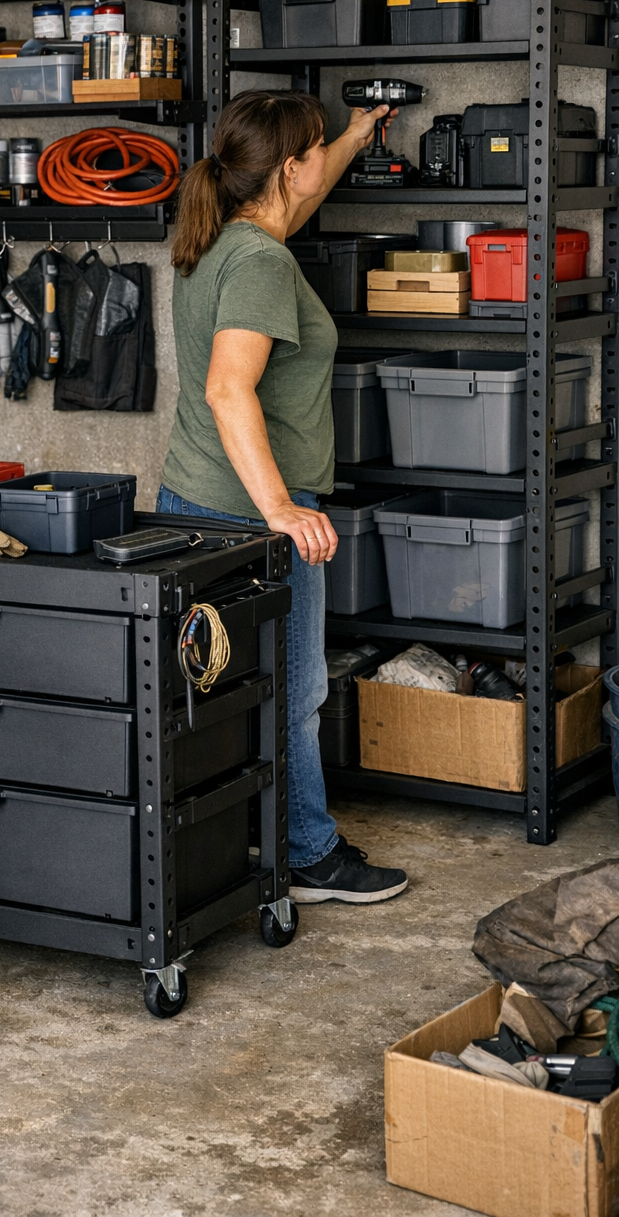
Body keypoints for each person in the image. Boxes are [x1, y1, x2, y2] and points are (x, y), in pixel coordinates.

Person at [158, 89, 408, 904]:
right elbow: (231, 391)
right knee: (297, 688)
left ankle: (244, 843)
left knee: (220, 690)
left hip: (192, 499)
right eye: (312, 153)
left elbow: (294, 202)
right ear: (286, 168)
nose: (316, 165)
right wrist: (280, 511)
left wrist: (355, 135)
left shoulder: (222, 238)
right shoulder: (262, 263)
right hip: (251, 513)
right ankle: (308, 854)